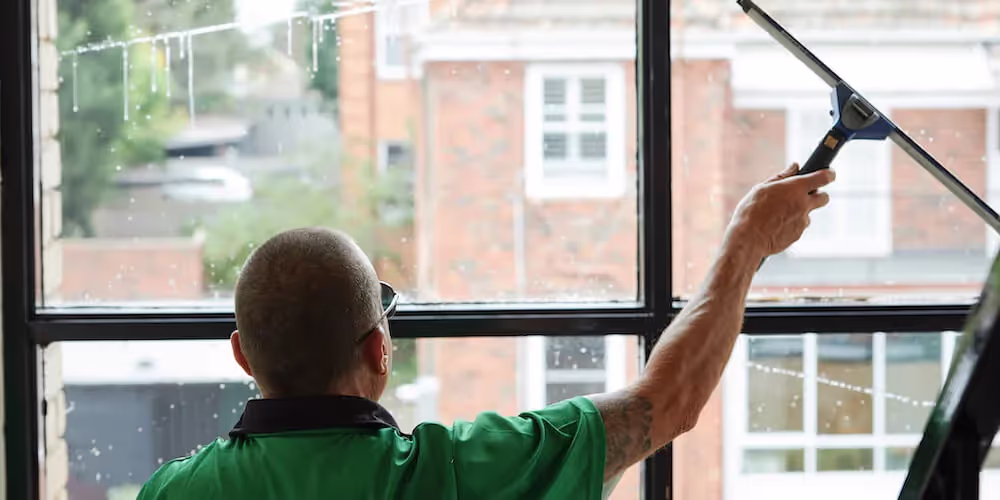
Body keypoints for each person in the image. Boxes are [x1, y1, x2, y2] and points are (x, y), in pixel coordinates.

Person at [136, 163, 834, 500]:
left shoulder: (172, 494)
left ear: (242, 355)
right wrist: (747, 243)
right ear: (380, 349)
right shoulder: (464, 473)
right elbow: (669, 402)